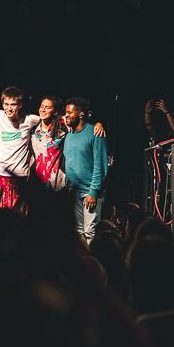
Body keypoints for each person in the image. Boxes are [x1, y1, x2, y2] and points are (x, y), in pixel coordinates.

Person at [63, 97, 108, 244]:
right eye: (66, 113)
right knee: (77, 233)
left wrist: (93, 192)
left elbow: (100, 165)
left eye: (70, 112)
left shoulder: (95, 133)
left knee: (90, 233)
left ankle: (93, 265)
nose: (66, 115)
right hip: (74, 191)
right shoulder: (69, 134)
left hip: (89, 192)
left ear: (81, 114)